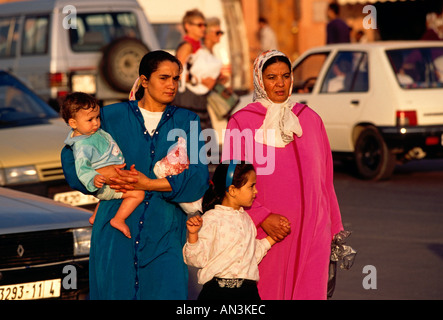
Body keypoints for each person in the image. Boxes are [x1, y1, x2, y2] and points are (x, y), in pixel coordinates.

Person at [61, 50, 209, 300]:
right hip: (116, 232)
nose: (172, 85)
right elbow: (71, 154)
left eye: (176, 78)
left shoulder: (188, 121)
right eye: (164, 78)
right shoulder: (110, 116)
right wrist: (100, 176)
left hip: (166, 233)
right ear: (144, 80)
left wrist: (149, 183)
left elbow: (198, 178)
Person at [222, 50, 344, 300]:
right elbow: (231, 180)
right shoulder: (242, 122)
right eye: (271, 77)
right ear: (259, 80)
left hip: (314, 232)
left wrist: (334, 230)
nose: (280, 83)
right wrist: (262, 217)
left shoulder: (310, 119)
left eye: (285, 76)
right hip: (268, 234)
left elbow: (325, 181)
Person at [183, 161, 288, 300]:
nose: (256, 191)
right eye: (251, 186)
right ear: (232, 190)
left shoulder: (247, 220)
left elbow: (251, 255)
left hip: (248, 293)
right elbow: (197, 260)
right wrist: (193, 234)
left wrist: (274, 237)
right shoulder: (212, 218)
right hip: (217, 293)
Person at [61, 92, 144, 238]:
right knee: (138, 194)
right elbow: (82, 169)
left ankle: (95, 216)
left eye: (97, 117)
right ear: (73, 123)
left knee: (105, 198)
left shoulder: (91, 134)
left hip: (110, 179)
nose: (96, 123)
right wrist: (94, 178)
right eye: (90, 119)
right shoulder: (82, 145)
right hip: (106, 183)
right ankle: (119, 219)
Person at [174, 9, 219, 131]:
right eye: (199, 25)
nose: (203, 28)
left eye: (204, 25)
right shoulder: (186, 46)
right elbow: (177, 74)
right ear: (188, 26)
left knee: (203, 141)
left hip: (198, 99)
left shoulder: (198, 46)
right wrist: (201, 80)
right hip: (187, 100)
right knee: (194, 141)